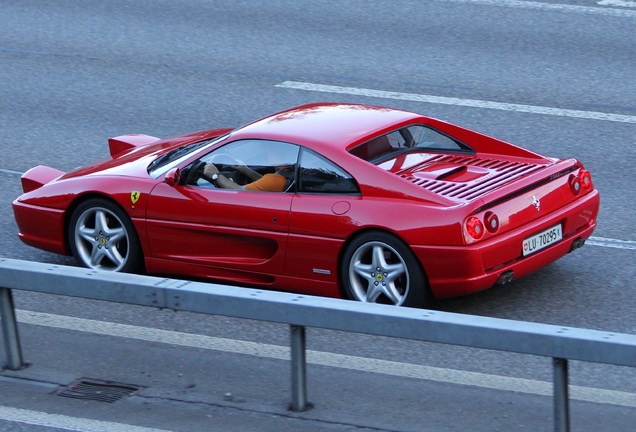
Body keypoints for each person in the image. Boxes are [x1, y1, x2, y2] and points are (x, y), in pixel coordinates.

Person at [203, 162, 292, 191]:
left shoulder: (276, 180)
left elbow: (238, 190)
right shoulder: (292, 173)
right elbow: (265, 184)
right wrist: (247, 171)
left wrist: (215, 174)